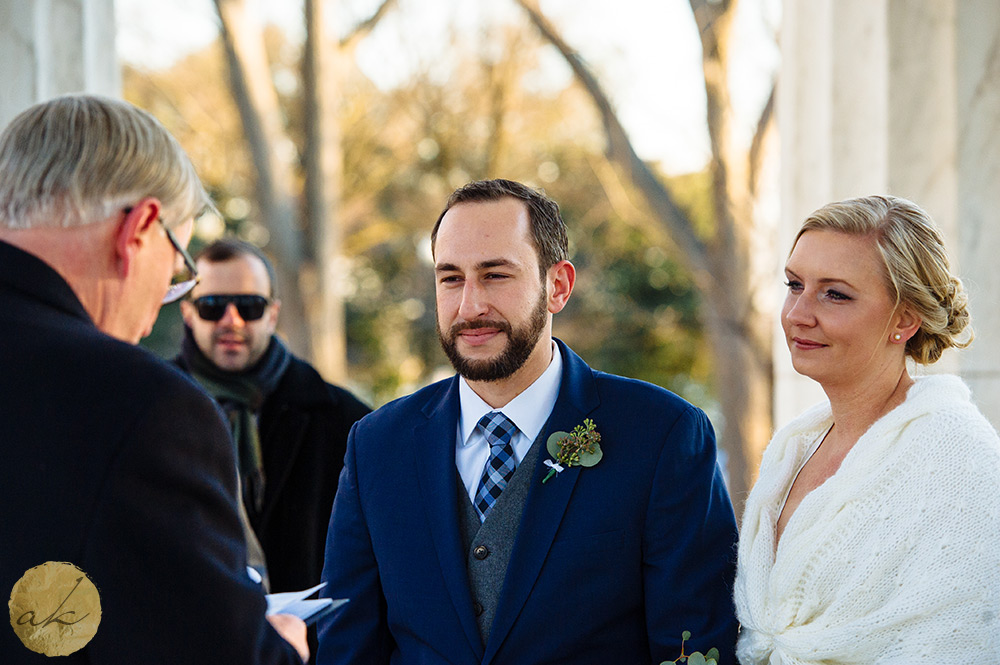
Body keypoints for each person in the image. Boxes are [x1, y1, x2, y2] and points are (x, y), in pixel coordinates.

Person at [317, 178, 739, 664]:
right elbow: (345, 648)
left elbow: (695, 646)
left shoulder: (663, 434)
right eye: (451, 278)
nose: (469, 306)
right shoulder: (376, 445)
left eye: (495, 275)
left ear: (557, 286)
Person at [0, 95, 308, 663]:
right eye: (178, 271)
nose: (158, 308)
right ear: (138, 229)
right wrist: (282, 646)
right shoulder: (144, 406)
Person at [734, 195, 1000, 663]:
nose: (798, 313)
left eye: (835, 293)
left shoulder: (960, 459)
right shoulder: (794, 449)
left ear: (904, 318)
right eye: (795, 284)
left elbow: (964, 636)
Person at [175, 238, 370, 594]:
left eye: (249, 306)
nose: (231, 321)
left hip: (309, 641)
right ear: (188, 313)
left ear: (273, 314)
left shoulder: (346, 422)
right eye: (212, 306)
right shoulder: (154, 410)